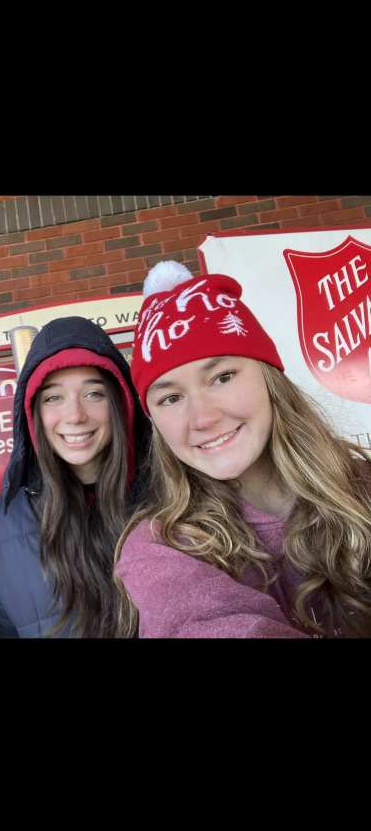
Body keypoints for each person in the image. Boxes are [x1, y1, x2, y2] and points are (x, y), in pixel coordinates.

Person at [115, 262, 371, 638]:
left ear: (269, 378)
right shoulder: (158, 550)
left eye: (223, 377)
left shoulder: (363, 488)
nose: (203, 418)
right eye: (171, 398)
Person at [0, 317, 151, 638]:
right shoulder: (4, 522)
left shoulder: (174, 494)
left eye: (94, 394)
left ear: (120, 402)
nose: (75, 416)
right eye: (54, 398)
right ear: (33, 413)